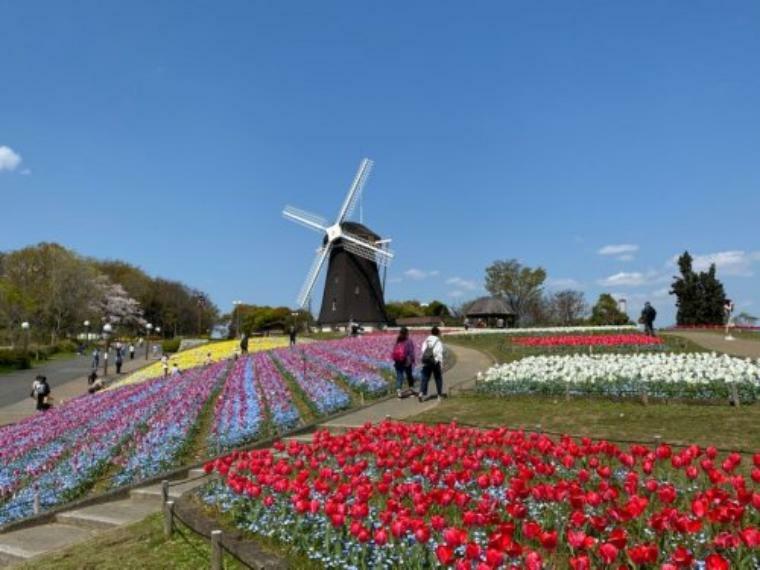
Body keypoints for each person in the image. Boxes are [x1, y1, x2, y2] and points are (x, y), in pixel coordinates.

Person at [418, 326, 446, 402]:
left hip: (426, 361)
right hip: (435, 362)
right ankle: (439, 395)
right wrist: (441, 363)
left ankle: (421, 393)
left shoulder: (426, 340)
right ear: (437, 333)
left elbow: (423, 350)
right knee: (438, 378)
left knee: (425, 377)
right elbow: (439, 353)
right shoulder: (438, 341)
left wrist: (426, 358)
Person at [392, 327, 416, 398]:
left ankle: (399, 391)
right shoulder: (409, 341)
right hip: (406, 361)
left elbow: (394, 351)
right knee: (409, 375)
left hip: (398, 361)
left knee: (399, 376)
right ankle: (411, 390)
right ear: (407, 333)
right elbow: (411, 352)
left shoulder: (398, 340)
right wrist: (412, 360)